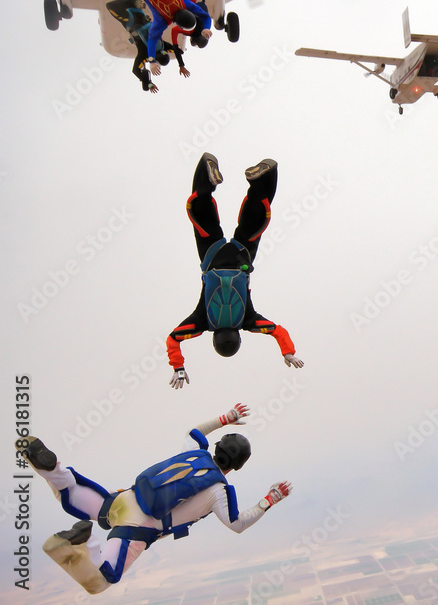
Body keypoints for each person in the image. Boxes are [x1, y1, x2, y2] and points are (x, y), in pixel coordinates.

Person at [16, 403, 292, 594]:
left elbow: (195, 431)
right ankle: (85, 542)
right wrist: (269, 499)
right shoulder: (219, 492)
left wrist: (226, 418)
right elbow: (238, 524)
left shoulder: (193, 451)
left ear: (218, 446)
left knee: (71, 494)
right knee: (102, 580)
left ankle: (54, 470)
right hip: (139, 527)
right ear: (238, 466)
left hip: (124, 499)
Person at [167, 153, 303, 389]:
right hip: (212, 257)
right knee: (202, 219)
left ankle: (261, 181)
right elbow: (173, 339)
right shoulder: (202, 321)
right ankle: (207, 182)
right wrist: (178, 366)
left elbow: (277, 331)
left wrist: (288, 352)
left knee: (256, 222)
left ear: (239, 337)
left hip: (242, 258)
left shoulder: (248, 321)